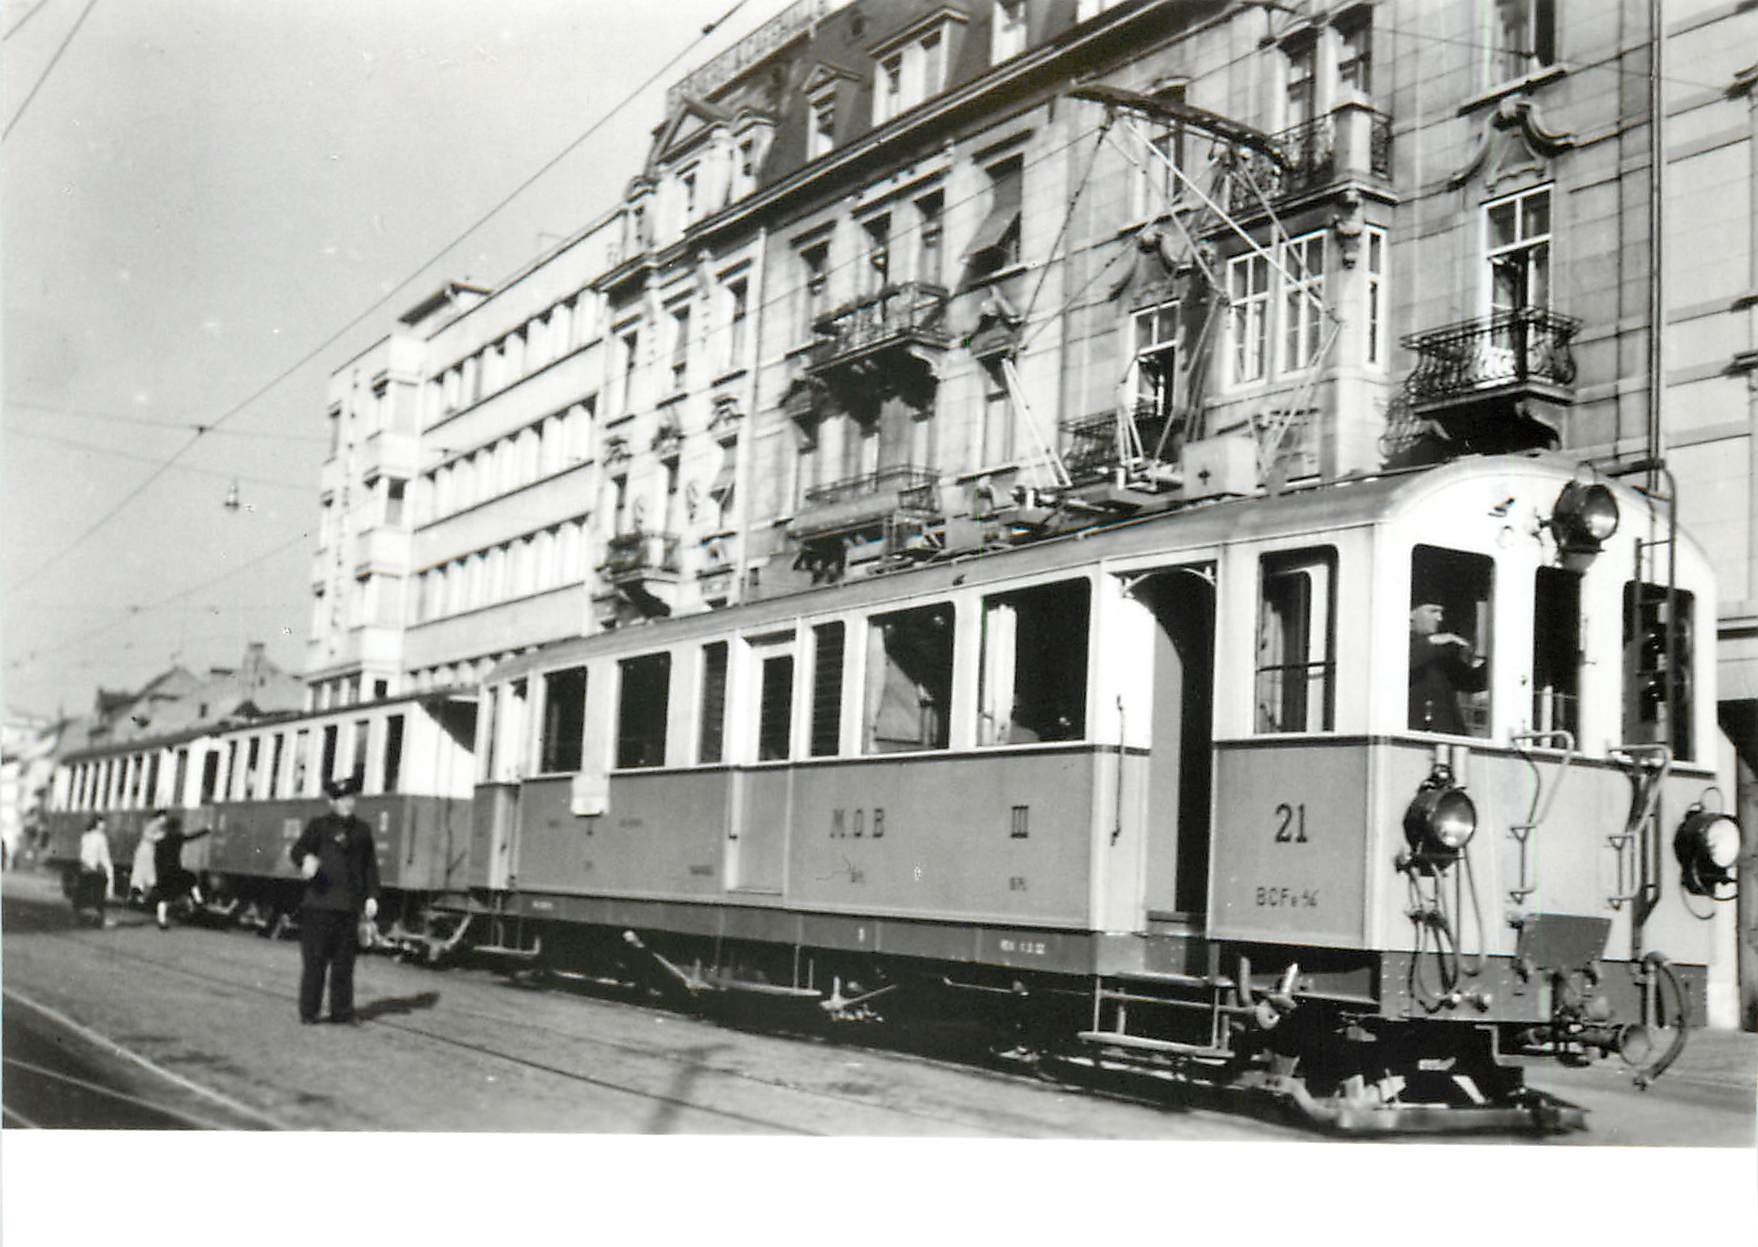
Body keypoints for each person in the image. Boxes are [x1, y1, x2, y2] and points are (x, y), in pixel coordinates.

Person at [290, 777, 380, 1025]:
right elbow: (297, 850)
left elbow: (369, 866)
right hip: (318, 905)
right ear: (331, 801)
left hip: (348, 906)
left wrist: (372, 895)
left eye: (351, 798)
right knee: (315, 963)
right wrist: (306, 858)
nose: (347, 803)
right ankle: (309, 1012)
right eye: (341, 799)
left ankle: (342, 1012)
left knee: (344, 964)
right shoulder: (318, 826)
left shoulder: (363, 830)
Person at [1408, 601, 1488, 734]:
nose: (1439, 618)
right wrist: (1431, 642)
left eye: (1441, 612)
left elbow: (1472, 682)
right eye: (1433, 611)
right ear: (1411, 614)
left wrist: (1493, 660)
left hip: (1447, 735)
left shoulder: (1440, 653)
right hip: (1412, 736)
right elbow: (1398, 666)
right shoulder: (1395, 642)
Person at [150, 813, 211, 930]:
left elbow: (156, 859)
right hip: (175, 870)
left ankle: (161, 921)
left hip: (163, 873)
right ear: (177, 827)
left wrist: (158, 874)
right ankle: (198, 900)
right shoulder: (178, 838)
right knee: (191, 878)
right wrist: (207, 830)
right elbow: (191, 837)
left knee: (164, 898)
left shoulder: (159, 843)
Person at [75, 815, 115, 928]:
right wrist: (108, 867)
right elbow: (104, 855)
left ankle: (81, 917)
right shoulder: (101, 837)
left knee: (85, 892)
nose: (104, 825)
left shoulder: (86, 836)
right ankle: (100, 920)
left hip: (85, 867)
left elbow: (83, 852)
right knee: (99, 895)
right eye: (102, 823)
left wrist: (85, 864)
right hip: (96, 869)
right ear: (97, 824)